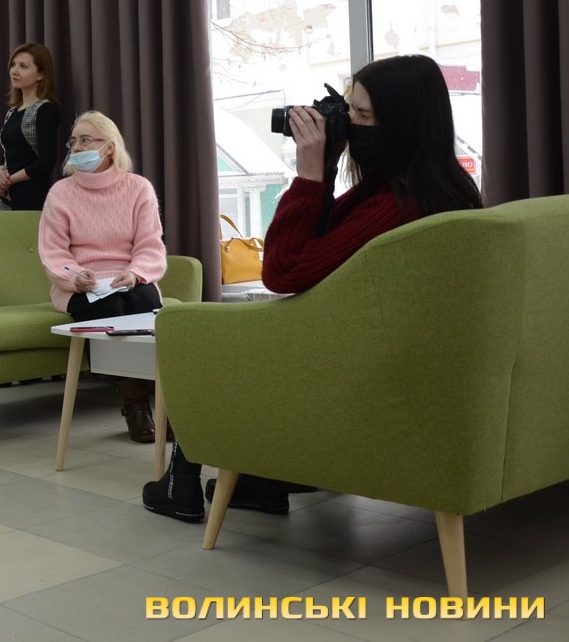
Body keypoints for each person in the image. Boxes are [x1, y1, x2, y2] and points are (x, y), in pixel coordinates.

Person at [143, 53, 484, 523]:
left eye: (362, 115)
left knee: (198, 335)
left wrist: (308, 171)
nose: (350, 123)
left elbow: (283, 271)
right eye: (349, 109)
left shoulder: (395, 204)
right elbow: (321, 244)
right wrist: (326, 169)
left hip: (354, 374)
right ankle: (260, 478)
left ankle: (181, 483)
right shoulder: (439, 188)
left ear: (402, 124)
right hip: (390, 358)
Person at [39, 110, 168, 442]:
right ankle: (135, 405)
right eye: (74, 141)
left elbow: (150, 245)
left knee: (143, 300)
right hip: (80, 284)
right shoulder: (61, 193)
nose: (77, 147)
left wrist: (135, 273)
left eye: (86, 140)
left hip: (130, 278)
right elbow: (53, 251)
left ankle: (166, 404)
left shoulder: (138, 188)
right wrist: (75, 275)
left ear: (109, 147)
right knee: (110, 309)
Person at [0, 43, 61, 210]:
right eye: (13, 65)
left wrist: (8, 180)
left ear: (41, 74)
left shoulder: (46, 109)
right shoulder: (12, 111)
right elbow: (7, 154)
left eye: (23, 66)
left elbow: (46, 161)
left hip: (32, 198)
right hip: (5, 199)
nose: (14, 71)